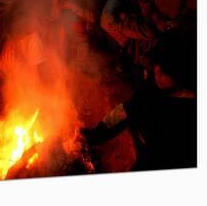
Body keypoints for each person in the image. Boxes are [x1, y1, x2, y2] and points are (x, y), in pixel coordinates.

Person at [83, 31, 197, 171]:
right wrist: (96, 134)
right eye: (158, 64)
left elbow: (162, 158)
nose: (157, 71)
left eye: (166, 71)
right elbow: (127, 110)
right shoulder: (153, 85)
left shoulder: (188, 118)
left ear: (182, 75)